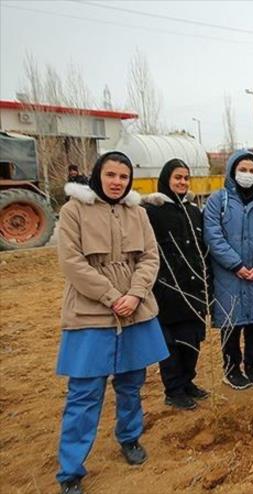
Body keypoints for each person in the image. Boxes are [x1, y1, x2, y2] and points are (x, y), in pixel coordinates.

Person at [55, 151, 168, 493]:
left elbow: (150, 257)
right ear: (97, 176)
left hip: (135, 310)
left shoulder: (138, 213)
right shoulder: (73, 210)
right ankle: (70, 470)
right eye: (111, 175)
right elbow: (72, 262)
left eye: (123, 176)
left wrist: (134, 294)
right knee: (85, 393)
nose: (117, 182)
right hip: (90, 313)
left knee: (132, 384)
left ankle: (130, 438)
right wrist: (110, 296)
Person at [203, 150, 253, 390]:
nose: (247, 174)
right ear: (233, 171)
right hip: (229, 275)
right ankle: (231, 368)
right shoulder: (218, 200)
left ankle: (252, 366)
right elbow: (213, 236)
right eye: (242, 170)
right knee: (231, 324)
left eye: (252, 170)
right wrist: (236, 264)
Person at [142, 158, 210, 410]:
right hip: (167, 290)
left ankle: (187, 381)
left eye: (185, 178)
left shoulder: (193, 211)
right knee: (171, 344)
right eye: (177, 178)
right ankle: (173, 389)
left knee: (192, 341)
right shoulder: (153, 212)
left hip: (193, 288)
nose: (182, 182)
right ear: (166, 180)